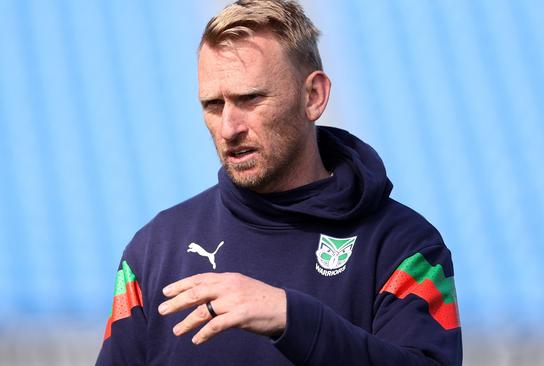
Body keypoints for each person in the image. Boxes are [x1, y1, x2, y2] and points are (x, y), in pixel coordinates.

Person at [96, 0, 462, 365]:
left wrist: (293, 318)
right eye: (213, 104)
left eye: (250, 98)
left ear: (313, 96)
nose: (229, 128)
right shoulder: (154, 251)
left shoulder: (405, 247)